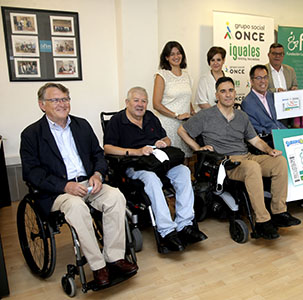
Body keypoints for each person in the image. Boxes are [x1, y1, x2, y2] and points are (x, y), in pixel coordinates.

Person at [20, 83, 138, 288]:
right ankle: (98, 266)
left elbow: (98, 154)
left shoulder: (81, 125)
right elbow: (33, 173)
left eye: (65, 99)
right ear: (42, 105)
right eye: (55, 100)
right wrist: (65, 186)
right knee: (76, 207)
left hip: (89, 183)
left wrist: (98, 174)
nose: (62, 104)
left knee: (116, 197)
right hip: (58, 190)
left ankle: (114, 258)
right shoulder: (31, 134)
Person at [178, 77, 301, 240]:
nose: (228, 95)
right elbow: (181, 130)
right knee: (252, 168)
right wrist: (198, 148)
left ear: (235, 93)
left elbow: (255, 140)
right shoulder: (206, 116)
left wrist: (269, 150)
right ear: (217, 95)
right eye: (223, 91)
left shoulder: (242, 116)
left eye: (230, 90)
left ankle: (279, 212)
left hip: (247, 156)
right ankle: (262, 221)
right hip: (226, 162)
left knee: (280, 162)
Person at [103, 87, 207, 252]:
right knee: (152, 180)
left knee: (184, 172)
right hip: (134, 165)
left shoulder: (150, 117)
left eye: (144, 101)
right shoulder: (117, 121)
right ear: (127, 102)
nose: (140, 104)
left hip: (157, 161)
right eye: (136, 100)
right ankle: (166, 231)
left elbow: (166, 137)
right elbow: (107, 148)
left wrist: (164, 142)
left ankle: (185, 225)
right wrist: (136, 151)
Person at [153, 41, 194, 161]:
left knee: (185, 158)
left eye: (178, 53)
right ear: (166, 57)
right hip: (168, 124)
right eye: (172, 54)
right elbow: (156, 104)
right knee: (170, 160)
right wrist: (176, 116)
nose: (176, 57)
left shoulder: (187, 76)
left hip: (184, 125)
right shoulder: (162, 75)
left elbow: (187, 99)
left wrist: (193, 114)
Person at [241, 65, 287, 147]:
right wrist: (275, 134)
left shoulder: (271, 96)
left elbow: (277, 121)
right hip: (267, 142)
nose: (263, 81)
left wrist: (287, 133)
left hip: (281, 136)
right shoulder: (247, 103)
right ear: (251, 81)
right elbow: (255, 128)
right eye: (258, 78)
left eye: (265, 77)